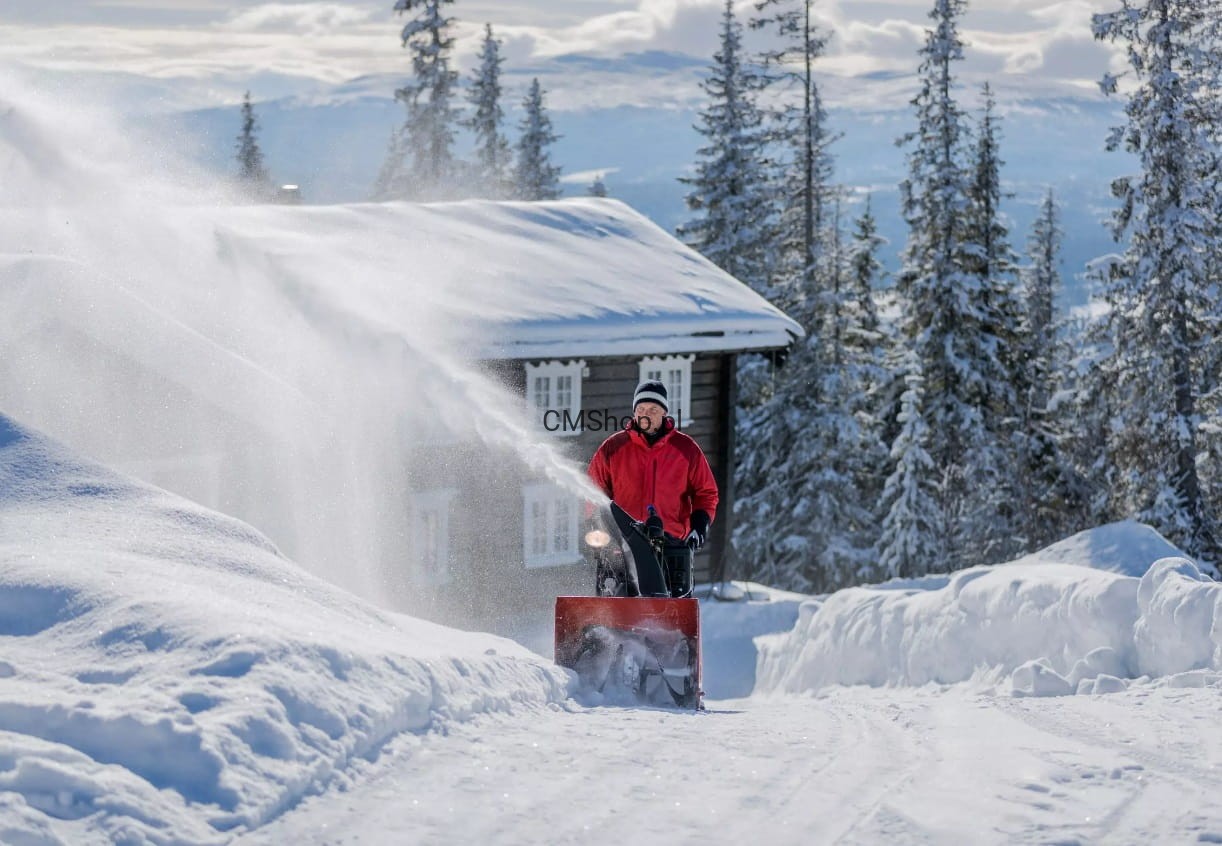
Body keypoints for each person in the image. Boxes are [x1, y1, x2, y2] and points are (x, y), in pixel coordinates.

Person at [587, 379, 719, 557]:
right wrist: (598, 528)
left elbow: (706, 493)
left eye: (652, 410)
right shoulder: (613, 447)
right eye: (640, 409)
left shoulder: (686, 449)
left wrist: (700, 525)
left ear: (664, 412)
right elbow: (592, 490)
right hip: (624, 548)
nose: (645, 415)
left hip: (672, 548)